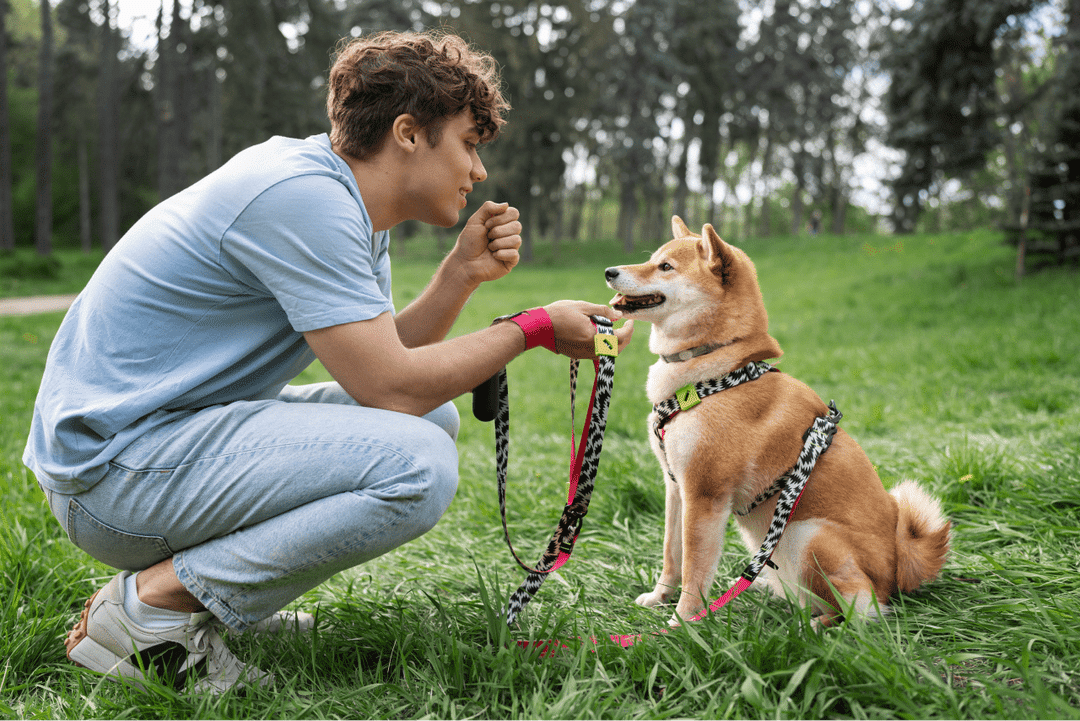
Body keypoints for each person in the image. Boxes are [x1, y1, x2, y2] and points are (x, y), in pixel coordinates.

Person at [23, 30, 632, 694]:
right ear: (407, 132)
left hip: (151, 447)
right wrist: (533, 328)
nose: (478, 171)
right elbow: (388, 385)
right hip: (109, 473)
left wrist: (459, 274)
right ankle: (152, 609)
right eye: (468, 143)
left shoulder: (346, 206)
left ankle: (214, 605)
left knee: (434, 423)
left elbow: (388, 364)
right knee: (415, 465)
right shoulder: (302, 198)